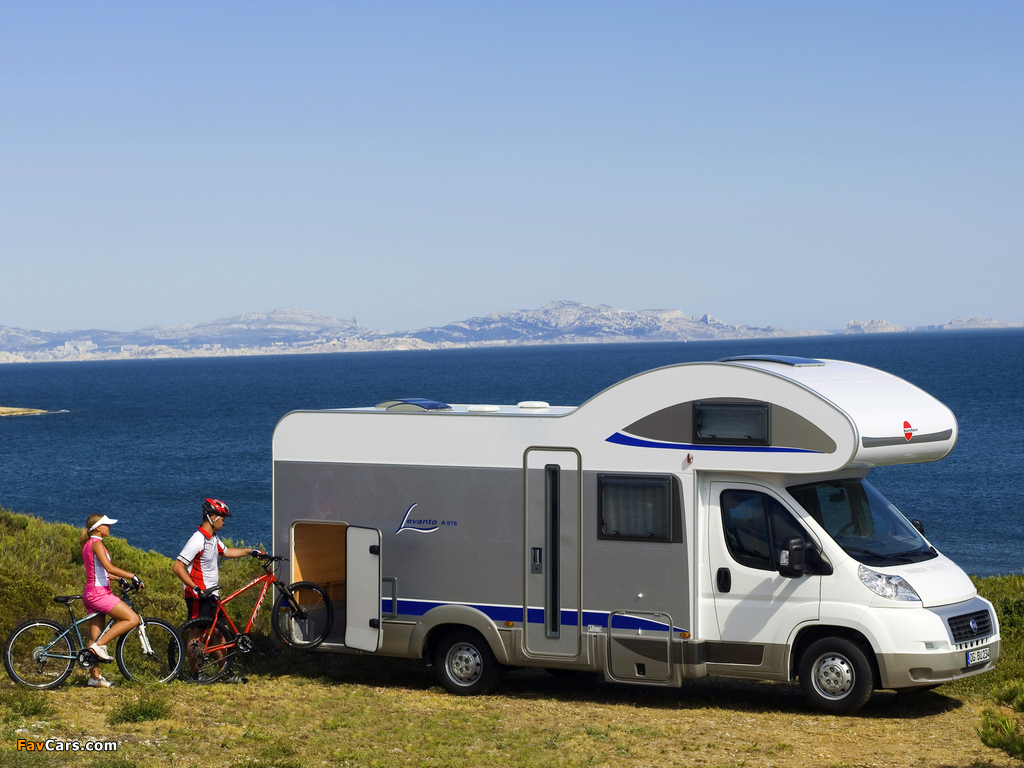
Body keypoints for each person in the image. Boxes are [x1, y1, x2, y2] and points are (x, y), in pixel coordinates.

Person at [172, 498, 259, 682]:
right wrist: (195, 588)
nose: (224, 522)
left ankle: (224, 673)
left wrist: (249, 551)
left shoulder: (212, 538)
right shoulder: (198, 540)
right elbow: (177, 566)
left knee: (221, 632)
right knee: (197, 634)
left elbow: (226, 552)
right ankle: (196, 674)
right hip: (199, 595)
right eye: (222, 518)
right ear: (213, 518)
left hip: (212, 594)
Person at [80, 514, 144, 688]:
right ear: (97, 528)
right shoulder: (97, 544)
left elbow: (100, 571)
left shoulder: (88, 544)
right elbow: (108, 567)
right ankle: (99, 646)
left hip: (90, 593)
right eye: (106, 525)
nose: (109, 527)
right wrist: (132, 576)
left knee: (95, 637)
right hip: (99, 594)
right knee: (132, 619)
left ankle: (94, 678)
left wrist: (118, 579)